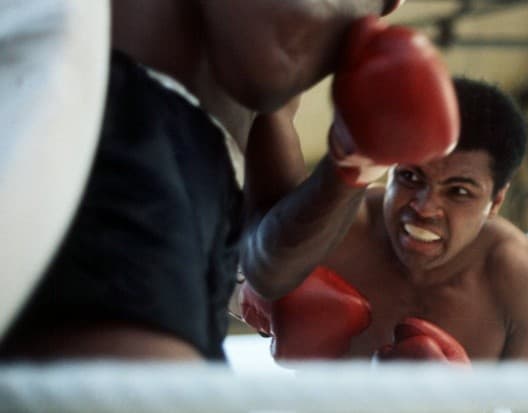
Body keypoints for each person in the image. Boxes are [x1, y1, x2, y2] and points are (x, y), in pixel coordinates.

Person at [0, 0, 461, 361]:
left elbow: (265, 264)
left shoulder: (261, 94)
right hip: (116, 104)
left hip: (198, 195)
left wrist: (353, 165)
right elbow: (277, 46)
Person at [240, 77, 528, 364]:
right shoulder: (331, 229)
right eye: (411, 176)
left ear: (496, 201)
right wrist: (245, 294)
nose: (425, 207)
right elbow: (214, 266)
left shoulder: (527, 279)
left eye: (458, 191)